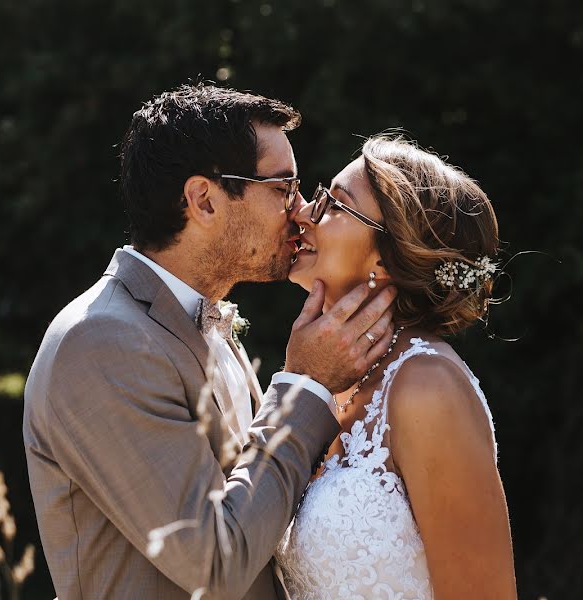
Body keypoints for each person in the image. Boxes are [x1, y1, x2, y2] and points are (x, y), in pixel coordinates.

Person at [22, 84, 396, 600]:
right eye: (283, 187)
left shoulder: (200, 318)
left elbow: (260, 501)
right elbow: (214, 563)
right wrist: (305, 384)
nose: (301, 208)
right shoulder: (100, 342)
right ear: (203, 200)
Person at [276, 135, 518, 599]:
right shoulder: (332, 380)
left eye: (334, 205)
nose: (304, 212)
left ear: (387, 259)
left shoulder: (428, 387)